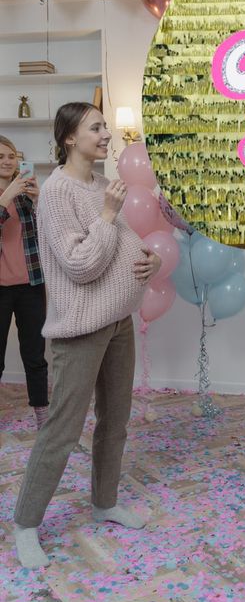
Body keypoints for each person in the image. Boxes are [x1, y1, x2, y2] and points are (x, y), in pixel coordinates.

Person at [13, 102, 161, 569]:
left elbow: (126, 243)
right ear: (69, 138)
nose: (106, 134)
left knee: (115, 421)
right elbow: (80, 264)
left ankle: (104, 502)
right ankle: (26, 524)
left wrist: (152, 260)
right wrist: (108, 215)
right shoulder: (57, 193)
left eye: (104, 126)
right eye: (95, 127)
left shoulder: (100, 185)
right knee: (62, 428)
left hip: (119, 323)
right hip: (80, 329)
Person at [0, 135, 48, 429]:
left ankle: (42, 412)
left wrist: (37, 199)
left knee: (35, 353)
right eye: (0, 157)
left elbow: (47, 230)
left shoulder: (24, 192)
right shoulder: (9, 195)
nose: (7, 161)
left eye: (11, 156)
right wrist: (5, 197)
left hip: (31, 284)